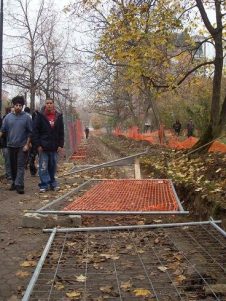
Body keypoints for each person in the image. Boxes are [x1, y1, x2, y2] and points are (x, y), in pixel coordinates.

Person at [0, 96, 32, 194]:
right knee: (12, 166)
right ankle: (14, 182)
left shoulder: (27, 117)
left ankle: (20, 185)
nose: (18, 107)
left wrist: (27, 144)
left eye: (20, 105)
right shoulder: (8, 117)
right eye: (16, 105)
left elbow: (30, 132)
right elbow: (3, 130)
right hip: (10, 145)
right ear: (13, 106)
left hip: (22, 146)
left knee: (20, 166)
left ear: (22, 106)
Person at [32, 98, 64, 192]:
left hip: (54, 147)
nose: (49, 105)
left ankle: (52, 183)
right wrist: (38, 145)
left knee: (53, 166)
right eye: (47, 103)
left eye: (51, 103)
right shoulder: (40, 116)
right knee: (43, 166)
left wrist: (60, 145)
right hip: (43, 147)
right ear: (45, 104)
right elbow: (35, 132)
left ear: (53, 104)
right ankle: (44, 185)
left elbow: (61, 132)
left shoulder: (58, 116)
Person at [0, 107, 12, 180]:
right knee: (7, 159)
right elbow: (2, 131)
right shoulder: (4, 120)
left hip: (13, 143)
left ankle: (11, 174)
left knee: (12, 160)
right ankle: (9, 174)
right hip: (5, 143)